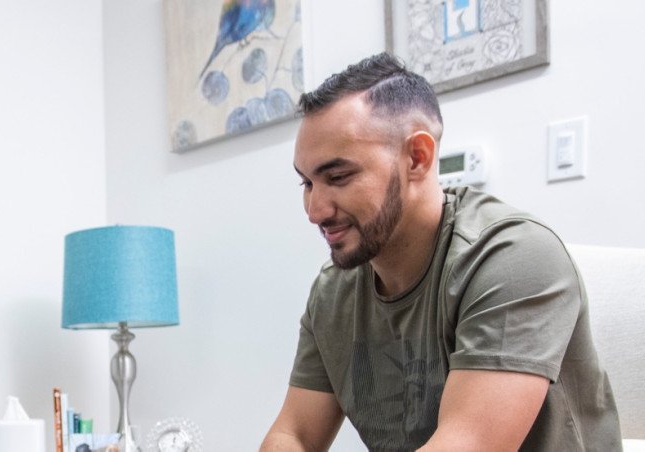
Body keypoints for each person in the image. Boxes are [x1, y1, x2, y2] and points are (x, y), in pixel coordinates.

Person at [260, 52, 622, 451]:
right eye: (307, 184)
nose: (315, 211)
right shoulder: (334, 292)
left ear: (417, 157)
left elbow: (466, 444)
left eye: (339, 177)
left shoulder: (513, 258)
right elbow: (292, 433)